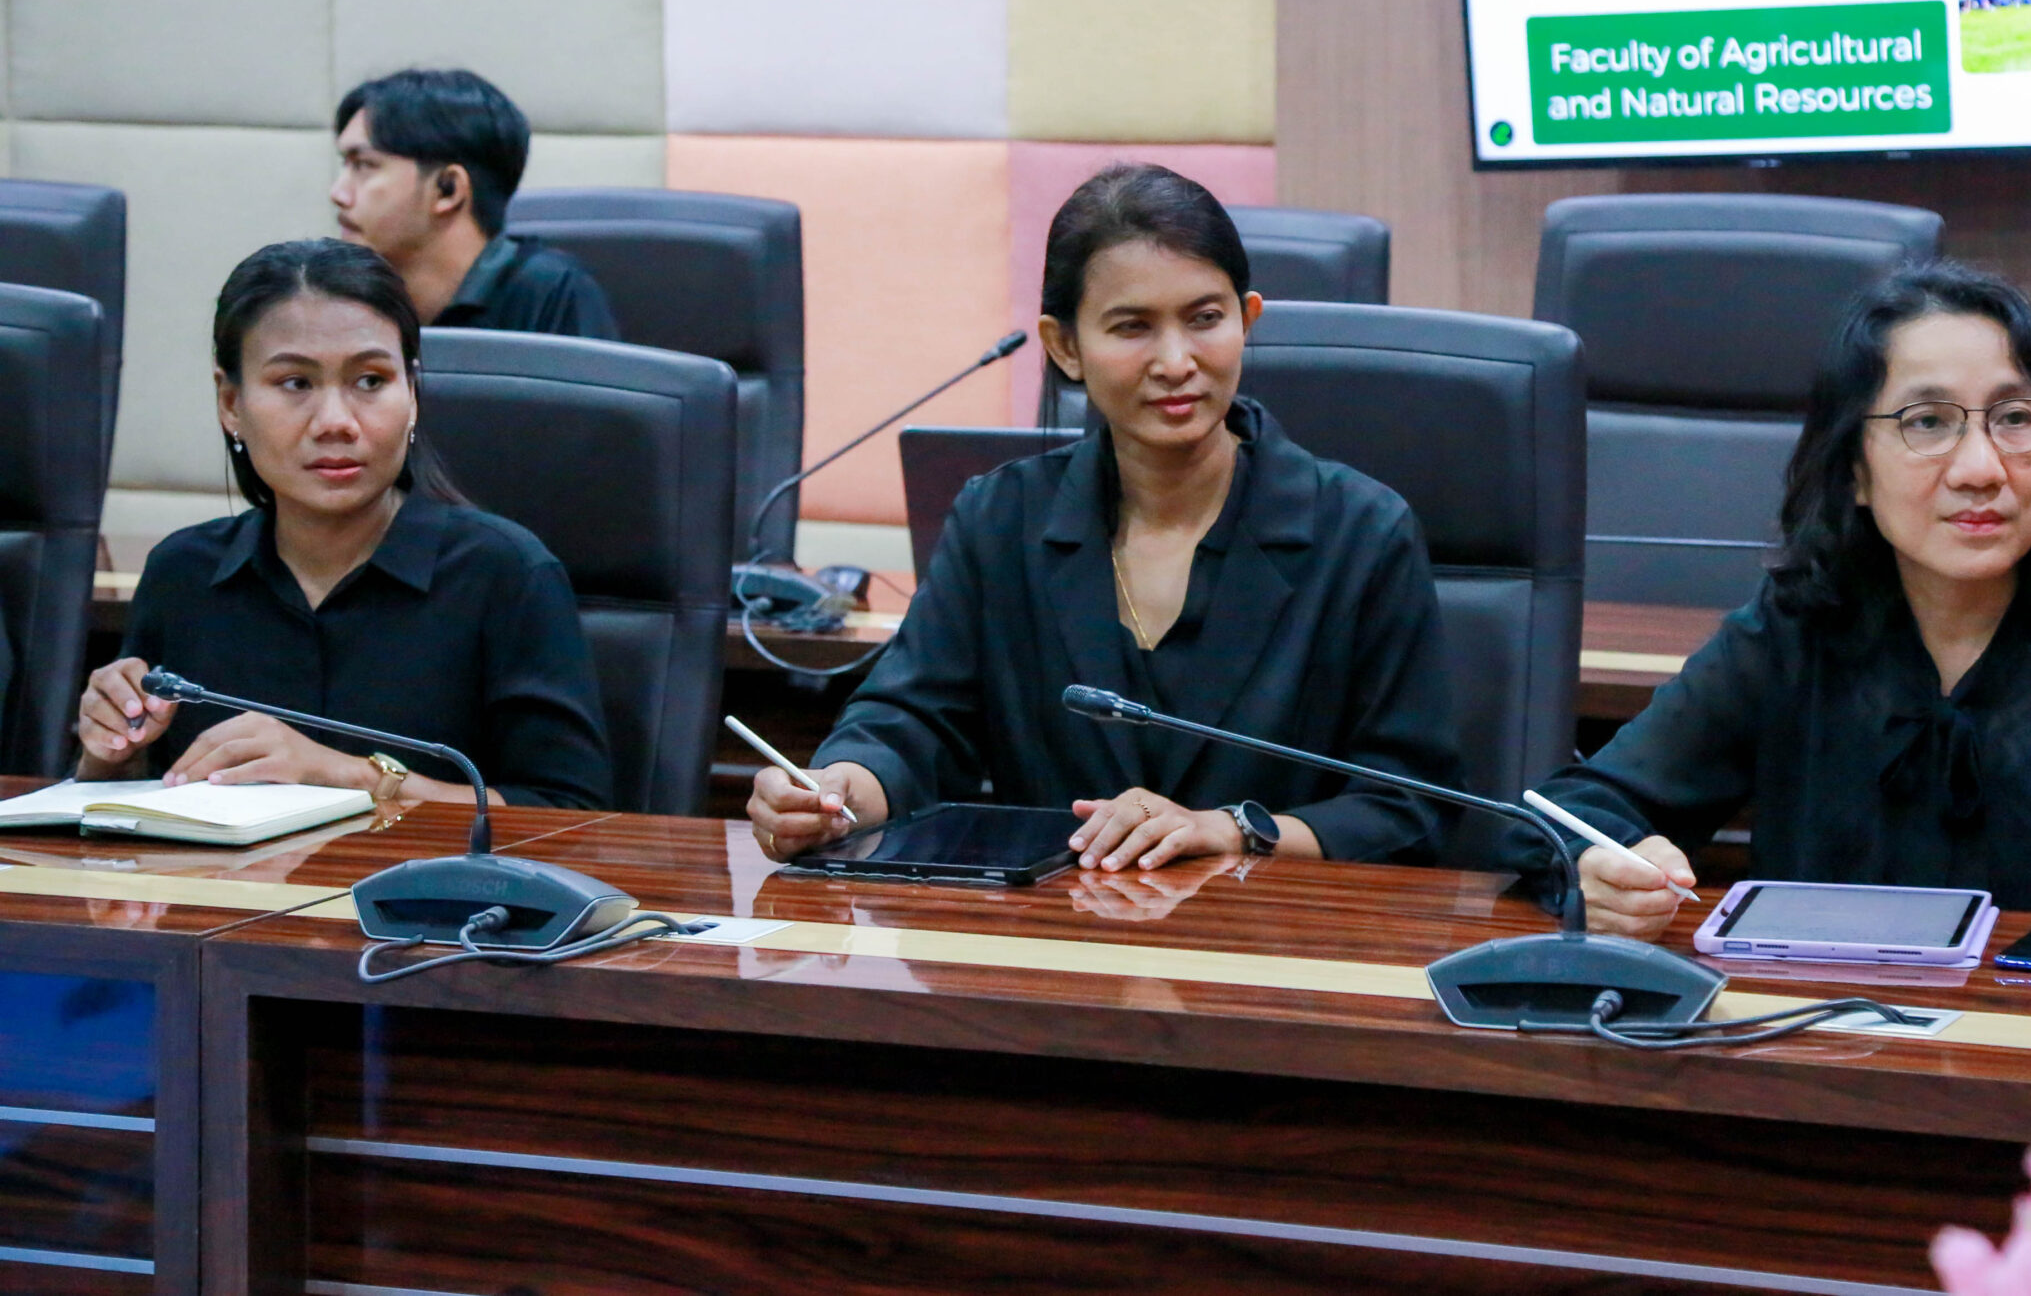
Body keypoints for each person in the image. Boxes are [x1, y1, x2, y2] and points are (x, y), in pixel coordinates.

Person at [748, 164, 1462, 870]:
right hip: (1059, 923)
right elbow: (912, 724)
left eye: (1205, 319)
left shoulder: (1361, 532)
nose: (1176, 361)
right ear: (1065, 346)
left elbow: (1413, 805)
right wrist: (840, 790)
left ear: (1247, 320)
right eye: (1132, 327)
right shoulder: (1001, 519)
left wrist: (1232, 831)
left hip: (1278, 931)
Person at [1535, 261, 2031, 938]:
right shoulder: (1792, 632)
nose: (1981, 469)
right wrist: (1599, 865)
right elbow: (1565, 811)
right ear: (1854, 468)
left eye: (2015, 418)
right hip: (1807, 1005)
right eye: (1928, 421)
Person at [74, 239, 613, 811]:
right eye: (296, 384)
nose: (336, 422)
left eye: (370, 381)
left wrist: (351, 777)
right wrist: (111, 755)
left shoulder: (505, 575)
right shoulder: (182, 575)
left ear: (413, 394)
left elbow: (572, 819)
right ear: (231, 403)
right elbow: (137, 810)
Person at [331, 68, 619, 339]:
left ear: (448, 189)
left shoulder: (551, 294)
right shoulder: (342, 300)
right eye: (345, 165)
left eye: (364, 165)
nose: (338, 193)